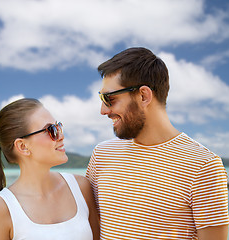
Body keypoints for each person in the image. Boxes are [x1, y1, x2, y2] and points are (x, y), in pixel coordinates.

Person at [86, 47, 229, 239]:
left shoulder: (204, 166)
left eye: (109, 98)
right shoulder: (102, 155)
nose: (103, 110)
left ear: (144, 96)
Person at [0, 98, 100, 240]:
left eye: (58, 126)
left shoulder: (81, 187)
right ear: (23, 146)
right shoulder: (0, 209)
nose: (61, 136)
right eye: (51, 130)